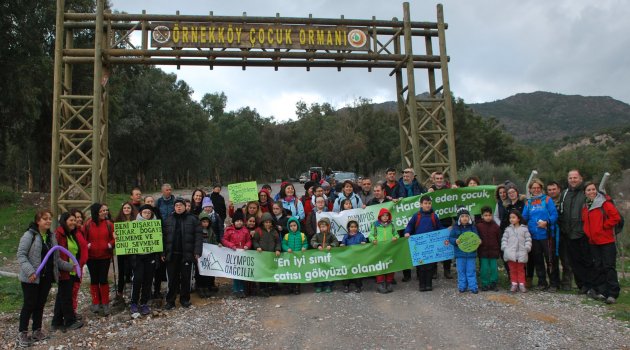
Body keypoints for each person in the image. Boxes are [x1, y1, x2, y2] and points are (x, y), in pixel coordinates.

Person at [16, 210, 75, 347]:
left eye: (49, 219)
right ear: (38, 221)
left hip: (46, 277)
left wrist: (70, 266)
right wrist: (31, 272)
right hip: (31, 278)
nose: (48, 221)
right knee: (29, 304)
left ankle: (37, 331)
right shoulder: (29, 235)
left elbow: (56, 259)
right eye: (45, 219)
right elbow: (21, 255)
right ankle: (22, 334)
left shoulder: (51, 237)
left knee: (40, 304)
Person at [582, 182, 621, 304]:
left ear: (597, 190)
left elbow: (616, 217)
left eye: (593, 189)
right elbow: (585, 221)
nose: (591, 192)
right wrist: (588, 232)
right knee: (598, 266)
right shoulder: (586, 206)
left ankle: (613, 293)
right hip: (593, 242)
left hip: (606, 241)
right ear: (585, 193)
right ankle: (602, 291)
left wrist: (604, 226)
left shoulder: (604, 203)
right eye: (588, 190)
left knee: (609, 267)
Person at [162, 198, 202, 309]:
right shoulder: (168, 220)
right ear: (174, 207)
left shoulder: (193, 219)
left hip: (187, 254)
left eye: (181, 205)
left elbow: (198, 237)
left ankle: (185, 299)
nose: (179, 207)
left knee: (186, 278)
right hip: (172, 255)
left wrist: (197, 251)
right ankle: (170, 301)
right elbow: (163, 238)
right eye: (176, 205)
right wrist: (163, 252)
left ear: (185, 206)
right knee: (172, 279)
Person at [559, 170, 593, 294]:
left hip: (583, 233)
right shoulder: (565, 193)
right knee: (574, 262)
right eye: (570, 178)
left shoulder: (586, 192)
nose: (573, 180)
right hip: (568, 234)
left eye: (575, 177)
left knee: (587, 261)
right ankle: (581, 286)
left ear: (581, 178)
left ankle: (590, 286)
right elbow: (562, 212)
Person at [51, 212, 86, 332]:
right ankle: (69, 322)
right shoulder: (59, 234)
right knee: (66, 297)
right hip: (64, 270)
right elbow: (58, 255)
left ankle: (56, 322)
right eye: (71, 220)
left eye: (74, 220)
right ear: (64, 221)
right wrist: (68, 266)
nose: (73, 222)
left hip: (72, 270)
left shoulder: (71, 234)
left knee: (62, 296)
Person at [522, 179, 558, 291]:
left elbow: (554, 215)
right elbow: (524, 217)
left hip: (547, 235)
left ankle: (554, 284)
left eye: (538, 188)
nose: (536, 190)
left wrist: (546, 222)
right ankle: (542, 282)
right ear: (530, 189)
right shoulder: (528, 202)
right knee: (538, 260)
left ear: (541, 188)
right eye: (534, 188)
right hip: (533, 236)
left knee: (550, 260)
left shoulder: (547, 200)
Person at [403, 195, 443, 291]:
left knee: (430, 266)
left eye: (429, 203)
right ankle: (422, 284)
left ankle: (429, 284)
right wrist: (407, 232)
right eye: (425, 203)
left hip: (431, 246)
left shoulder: (434, 216)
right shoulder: (416, 216)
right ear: (421, 205)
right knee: (421, 267)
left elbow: (439, 227)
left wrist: (447, 230)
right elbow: (410, 226)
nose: (427, 205)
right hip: (419, 246)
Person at [84, 203, 115, 316]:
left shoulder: (109, 224)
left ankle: (105, 303)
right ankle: (96, 302)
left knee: (103, 279)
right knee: (94, 280)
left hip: (105, 256)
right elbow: (83, 238)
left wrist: (110, 245)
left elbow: (114, 238)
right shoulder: (87, 224)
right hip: (91, 257)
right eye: (102, 211)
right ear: (96, 212)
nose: (105, 213)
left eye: (105, 211)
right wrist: (87, 245)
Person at [129, 205, 158, 315]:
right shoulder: (133, 224)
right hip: (138, 257)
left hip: (150, 257)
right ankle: (134, 303)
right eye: (144, 212)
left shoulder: (155, 225)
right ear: (140, 213)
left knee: (148, 280)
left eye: (149, 213)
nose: (147, 214)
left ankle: (144, 303)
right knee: (137, 279)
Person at [547, 181, 572, 291]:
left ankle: (566, 283)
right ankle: (554, 283)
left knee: (566, 260)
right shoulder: (546, 202)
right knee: (552, 260)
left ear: (559, 190)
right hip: (551, 234)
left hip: (564, 233)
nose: (552, 191)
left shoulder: (565, 200)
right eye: (549, 190)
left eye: (554, 189)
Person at [449, 208, 480, 294]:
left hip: (471, 254)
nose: (465, 218)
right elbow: (450, 238)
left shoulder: (473, 227)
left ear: (469, 217)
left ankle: (473, 287)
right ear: (459, 218)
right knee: (461, 271)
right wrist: (455, 241)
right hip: (460, 255)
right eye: (462, 216)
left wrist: (478, 241)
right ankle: (462, 287)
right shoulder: (455, 228)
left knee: (471, 270)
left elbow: (476, 238)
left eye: (466, 216)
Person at [221, 210, 251, 298]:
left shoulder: (245, 231)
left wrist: (247, 246)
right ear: (234, 222)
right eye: (237, 221)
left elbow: (249, 240)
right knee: (235, 273)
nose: (239, 223)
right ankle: (235, 289)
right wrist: (231, 245)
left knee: (241, 273)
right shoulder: (229, 230)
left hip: (242, 255)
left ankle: (241, 290)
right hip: (233, 255)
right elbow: (224, 240)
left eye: (241, 221)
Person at [501, 210, 532, 293]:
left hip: (521, 253)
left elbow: (528, 239)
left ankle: (522, 284)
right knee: (512, 269)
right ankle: (514, 284)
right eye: (510, 218)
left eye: (513, 217)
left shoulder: (524, 229)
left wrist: (527, 247)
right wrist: (505, 248)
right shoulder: (508, 229)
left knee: (521, 269)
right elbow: (504, 239)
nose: (511, 219)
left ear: (518, 218)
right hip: (510, 253)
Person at [253, 213, 281, 297]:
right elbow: (255, 241)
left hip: (272, 255)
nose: (268, 224)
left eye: (269, 222)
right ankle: (262, 289)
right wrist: (257, 247)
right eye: (266, 222)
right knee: (263, 272)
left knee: (271, 271)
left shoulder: (274, 231)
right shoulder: (259, 231)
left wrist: (277, 249)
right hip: (262, 256)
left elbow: (278, 242)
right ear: (262, 222)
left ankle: (271, 288)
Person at [113, 202, 137, 302]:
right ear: (122, 209)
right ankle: (120, 292)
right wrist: (114, 235)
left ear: (132, 209)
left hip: (133, 250)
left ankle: (134, 291)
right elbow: (113, 232)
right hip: (122, 250)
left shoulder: (136, 219)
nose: (126, 209)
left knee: (134, 270)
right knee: (121, 271)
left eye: (128, 208)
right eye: (125, 208)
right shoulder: (117, 221)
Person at [371, 208, 398, 293]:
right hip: (379, 250)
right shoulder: (375, 225)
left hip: (390, 249)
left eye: (387, 215)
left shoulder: (392, 225)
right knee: (380, 266)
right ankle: (380, 284)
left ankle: (389, 282)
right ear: (380, 216)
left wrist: (395, 237)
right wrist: (373, 240)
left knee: (390, 265)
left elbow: (396, 234)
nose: (385, 217)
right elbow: (371, 235)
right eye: (383, 215)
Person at [310, 217, 339, 293]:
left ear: (328, 226)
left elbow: (336, 242)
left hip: (328, 257)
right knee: (319, 271)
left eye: (324, 226)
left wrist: (331, 245)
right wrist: (317, 245)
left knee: (328, 271)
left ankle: (328, 285)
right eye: (321, 227)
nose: (322, 228)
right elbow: (312, 241)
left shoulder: (331, 235)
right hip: (319, 258)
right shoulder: (317, 235)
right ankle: (319, 285)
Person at [476, 206, 501, 292]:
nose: (488, 217)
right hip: (483, 252)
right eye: (486, 215)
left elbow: (499, 239)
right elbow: (476, 238)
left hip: (494, 251)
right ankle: (485, 283)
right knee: (484, 269)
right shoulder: (478, 226)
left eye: (490, 215)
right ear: (482, 216)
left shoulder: (496, 227)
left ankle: (493, 283)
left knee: (494, 268)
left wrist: (499, 249)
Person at [68, 208, 88, 315]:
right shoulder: (72, 233)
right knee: (72, 290)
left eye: (80, 217)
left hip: (79, 266)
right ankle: (70, 312)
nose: (79, 219)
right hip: (73, 267)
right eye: (76, 218)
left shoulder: (80, 231)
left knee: (75, 290)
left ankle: (73, 311)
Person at [281, 217, 309, 294]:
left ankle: (297, 287)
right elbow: (283, 244)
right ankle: (290, 287)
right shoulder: (287, 235)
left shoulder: (302, 235)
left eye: (294, 225)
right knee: (290, 272)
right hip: (290, 258)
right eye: (291, 226)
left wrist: (304, 247)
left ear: (298, 226)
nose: (293, 227)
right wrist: (287, 249)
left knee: (297, 272)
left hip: (298, 258)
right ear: (289, 227)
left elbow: (306, 243)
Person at [197, 211, 221, 298]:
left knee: (208, 272)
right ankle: (200, 287)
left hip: (208, 255)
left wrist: (217, 244)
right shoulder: (197, 230)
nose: (205, 223)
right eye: (203, 221)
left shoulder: (211, 231)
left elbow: (214, 240)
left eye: (207, 222)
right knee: (200, 273)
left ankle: (207, 287)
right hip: (200, 255)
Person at [340, 220, 367, 293]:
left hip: (357, 257)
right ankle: (346, 286)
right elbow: (343, 244)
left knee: (357, 271)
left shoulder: (360, 235)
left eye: (355, 227)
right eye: (351, 227)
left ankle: (359, 286)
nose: (353, 228)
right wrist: (342, 245)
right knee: (347, 272)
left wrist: (364, 242)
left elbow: (365, 241)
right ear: (348, 228)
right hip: (348, 257)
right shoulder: (346, 236)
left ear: (357, 227)